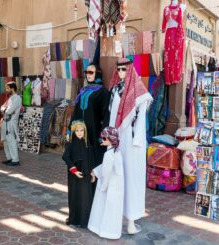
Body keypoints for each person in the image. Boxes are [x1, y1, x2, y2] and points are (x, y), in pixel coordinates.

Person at [107, 58, 152, 234]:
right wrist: (111, 140)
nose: (120, 72)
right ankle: (116, 218)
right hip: (118, 140)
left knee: (132, 179)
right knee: (117, 178)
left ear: (130, 70)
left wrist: (137, 143)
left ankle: (131, 222)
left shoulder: (140, 92)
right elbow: (112, 118)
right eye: (118, 69)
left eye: (124, 69)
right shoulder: (115, 90)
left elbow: (140, 121)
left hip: (133, 144)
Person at [67, 64, 110, 167]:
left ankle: (93, 180)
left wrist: (103, 134)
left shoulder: (103, 92)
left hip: (94, 131)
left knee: (94, 158)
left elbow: (106, 114)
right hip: (80, 130)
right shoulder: (83, 90)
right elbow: (76, 111)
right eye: (86, 72)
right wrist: (70, 129)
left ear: (98, 74)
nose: (88, 75)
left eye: (91, 72)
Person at [88, 127, 124, 239]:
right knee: (113, 209)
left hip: (109, 186)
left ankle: (102, 229)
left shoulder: (109, 154)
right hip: (116, 186)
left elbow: (106, 172)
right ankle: (111, 231)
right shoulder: (116, 151)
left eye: (104, 137)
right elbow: (106, 167)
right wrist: (95, 171)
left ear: (110, 139)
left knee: (104, 207)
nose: (102, 139)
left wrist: (103, 187)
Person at [62, 120, 95, 228]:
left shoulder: (87, 144)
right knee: (75, 197)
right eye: (77, 131)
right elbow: (65, 157)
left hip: (86, 175)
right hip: (75, 177)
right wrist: (74, 170)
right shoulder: (71, 143)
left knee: (86, 198)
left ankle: (85, 220)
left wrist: (92, 173)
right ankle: (75, 219)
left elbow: (91, 159)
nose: (80, 133)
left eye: (82, 130)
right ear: (74, 132)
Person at [0, 82, 22, 166]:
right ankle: (9, 158)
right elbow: (2, 107)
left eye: (7, 88)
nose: (6, 90)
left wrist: (4, 110)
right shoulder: (10, 98)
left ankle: (15, 160)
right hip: (5, 121)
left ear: (12, 88)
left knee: (11, 141)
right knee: (5, 141)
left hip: (11, 122)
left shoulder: (17, 98)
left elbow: (9, 111)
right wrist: (4, 109)